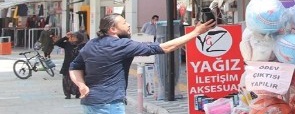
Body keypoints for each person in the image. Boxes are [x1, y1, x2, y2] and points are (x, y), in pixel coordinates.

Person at [69, 13, 215, 114]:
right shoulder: (122, 45)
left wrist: (81, 85)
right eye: (124, 23)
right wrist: (196, 32)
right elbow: (165, 47)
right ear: (112, 29)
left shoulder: (91, 44)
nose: (128, 25)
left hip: (89, 103)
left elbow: (74, 66)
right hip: (110, 104)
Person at [54, 32, 86, 99]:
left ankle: (78, 93)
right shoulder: (67, 44)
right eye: (71, 37)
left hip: (78, 66)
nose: (72, 38)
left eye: (74, 37)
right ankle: (67, 94)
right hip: (67, 65)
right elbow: (57, 43)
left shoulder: (83, 45)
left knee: (78, 79)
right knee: (66, 80)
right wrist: (65, 37)